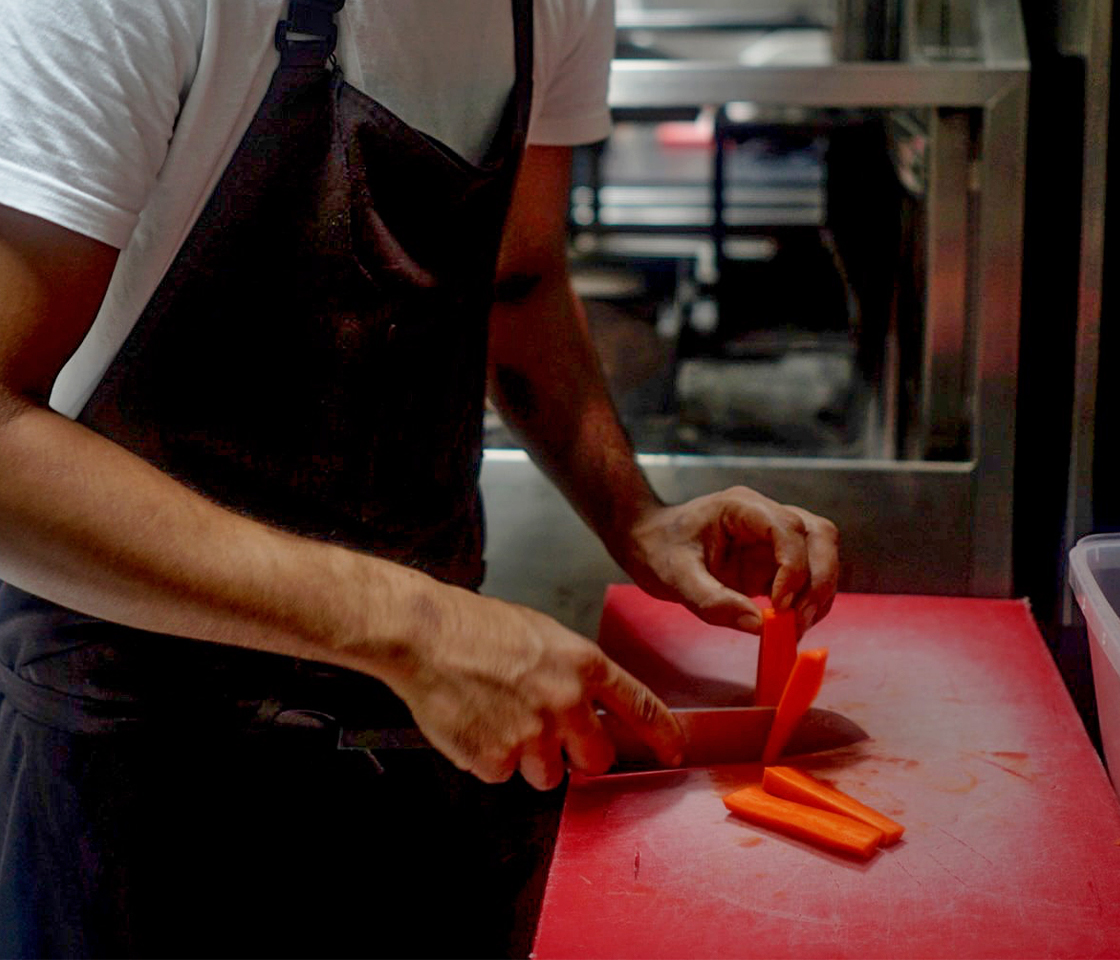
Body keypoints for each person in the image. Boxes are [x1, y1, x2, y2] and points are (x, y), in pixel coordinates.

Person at [0, 0, 840, 955]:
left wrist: (635, 516)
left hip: (426, 743)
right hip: (138, 766)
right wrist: (418, 629)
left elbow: (519, 279)